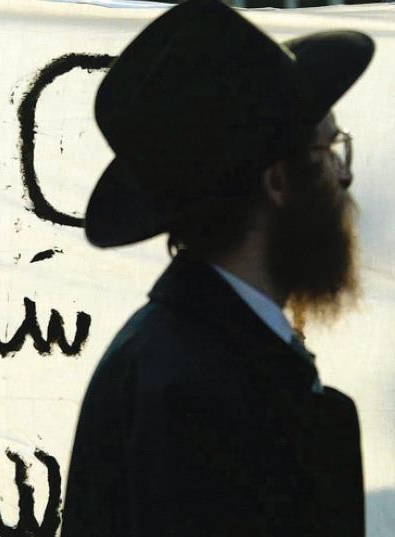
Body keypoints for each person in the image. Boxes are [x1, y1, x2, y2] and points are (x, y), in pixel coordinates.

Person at [62, 1, 374, 536]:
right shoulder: (194, 393)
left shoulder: (197, 352)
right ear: (279, 184)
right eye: (329, 152)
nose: (343, 178)